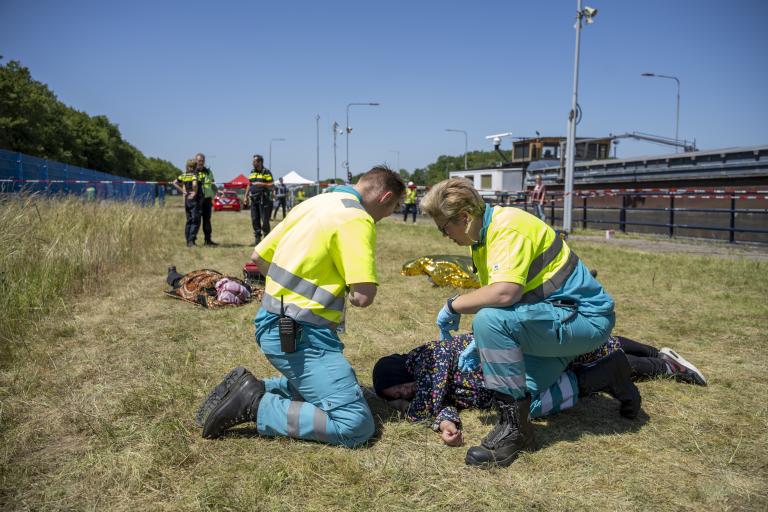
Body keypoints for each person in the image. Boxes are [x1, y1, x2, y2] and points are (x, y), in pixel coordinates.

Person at [420, 178, 640, 468]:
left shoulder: (507, 227)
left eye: (444, 228)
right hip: (553, 321)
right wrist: (480, 342)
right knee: (522, 400)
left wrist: (453, 304)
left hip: (583, 319)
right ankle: (608, 372)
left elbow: (504, 293)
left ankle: (516, 434)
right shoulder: (484, 238)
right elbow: (513, 300)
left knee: (489, 321)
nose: (445, 236)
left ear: (464, 217)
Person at [197, 166, 405, 447]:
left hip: (275, 324)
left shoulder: (315, 202)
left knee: (351, 390)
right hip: (304, 336)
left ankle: (253, 387)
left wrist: (289, 291)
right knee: (355, 424)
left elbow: (258, 256)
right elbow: (363, 297)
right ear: (386, 197)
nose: (386, 216)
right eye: (392, 208)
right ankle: (254, 403)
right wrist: (347, 290)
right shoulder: (357, 217)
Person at [372, 333, 706, 447]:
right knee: (593, 362)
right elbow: (441, 403)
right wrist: (448, 422)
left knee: (593, 348)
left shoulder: (429, 359)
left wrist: (411, 412)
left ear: (401, 370)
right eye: (397, 395)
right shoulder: (430, 380)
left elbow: (427, 401)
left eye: (398, 387)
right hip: (520, 371)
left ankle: (657, 355)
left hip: (523, 358)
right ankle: (665, 366)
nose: (404, 392)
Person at [244, 154, 274, 245]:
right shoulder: (252, 172)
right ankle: (257, 240)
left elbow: (272, 185)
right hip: (253, 199)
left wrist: (261, 184)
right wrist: (245, 196)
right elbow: (249, 184)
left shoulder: (266, 172)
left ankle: (267, 240)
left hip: (263, 199)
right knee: (254, 219)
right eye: (253, 161)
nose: (253, 163)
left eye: (254, 161)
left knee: (264, 220)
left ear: (260, 162)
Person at [172, 159, 202, 247]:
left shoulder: (183, 175)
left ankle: (188, 240)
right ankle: (191, 241)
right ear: (195, 167)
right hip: (194, 199)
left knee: (189, 220)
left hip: (187, 200)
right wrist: (195, 192)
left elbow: (174, 183)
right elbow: (195, 185)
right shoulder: (194, 175)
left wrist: (183, 191)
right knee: (195, 220)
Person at [196, 153, 219, 246]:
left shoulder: (209, 172)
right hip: (196, 200)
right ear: (196, 161)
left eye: (202, 161)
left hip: (207, 199)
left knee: (207, 220)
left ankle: (208, 240)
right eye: (199, 161)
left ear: (204, 161)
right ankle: (192, 241)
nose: (201, 162)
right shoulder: (192, 171)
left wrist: (218, 192)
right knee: (196, 220)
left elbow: (213, 184)